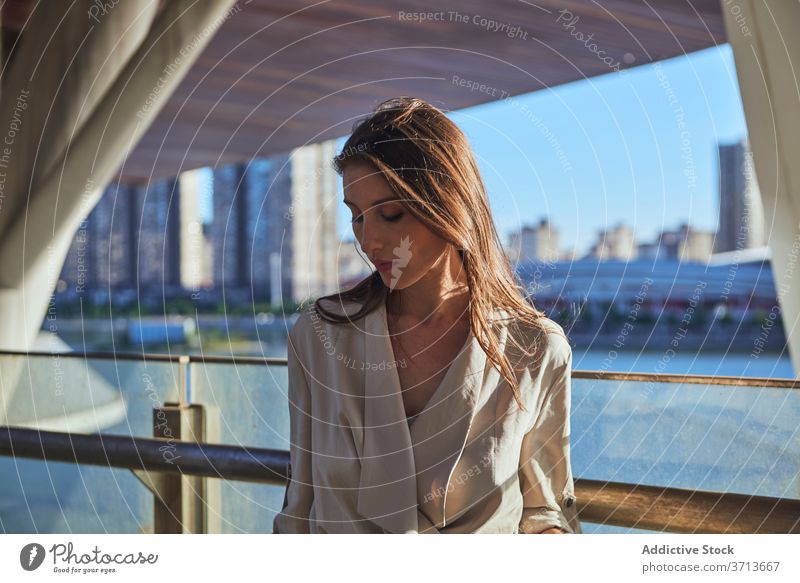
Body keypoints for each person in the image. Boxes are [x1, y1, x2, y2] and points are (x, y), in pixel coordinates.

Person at [272, 96, 581, 534]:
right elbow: (298, 507)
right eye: (357, 217)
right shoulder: (318, 339)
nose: (369, 240)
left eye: (390, 213)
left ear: (450, 202)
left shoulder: (536, 349)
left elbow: (546, 511)